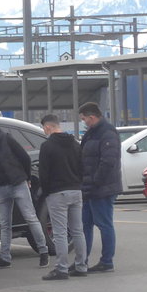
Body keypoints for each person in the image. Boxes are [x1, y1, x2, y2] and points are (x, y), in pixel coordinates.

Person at [0, 118, 49, 269]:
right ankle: (5, 257)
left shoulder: (6, 139)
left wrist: (27, 177)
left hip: (18, 183)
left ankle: (43, 252)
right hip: (0, 188)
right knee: (4, 224)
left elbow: (24, 158)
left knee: (31, 218)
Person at [38, 114, 88, 280]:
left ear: (48, 127)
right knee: (77, 231)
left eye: (44, 128)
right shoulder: (75, 144)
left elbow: (43, 173)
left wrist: (46, 192)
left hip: (57, 192)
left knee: (60, 233)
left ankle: (61, 269)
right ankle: (81, 266)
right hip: (76, 190)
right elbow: (82, 168)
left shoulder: (47, 146)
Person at [78, 101, 122, 272]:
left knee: (104, 224)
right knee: (85, 224)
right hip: (89, 187)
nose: (83, 122)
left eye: (84, 119)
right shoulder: (91, 133)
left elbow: (108, 161)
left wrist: (95, 181)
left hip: (102, 188)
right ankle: (82, 260)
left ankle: (107, 261)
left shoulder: (107, 133)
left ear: (92, 117)